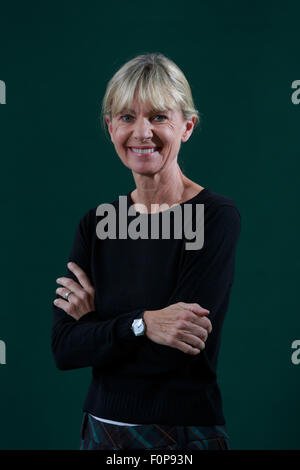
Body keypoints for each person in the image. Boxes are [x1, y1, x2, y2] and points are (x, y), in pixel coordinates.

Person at [51, 52, 241, 451]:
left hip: (184, 434)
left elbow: (177, 354)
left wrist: (98, 326)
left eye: (158, 117)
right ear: (110, 127)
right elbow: (65, 348)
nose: (142, 132)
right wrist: (144, 324)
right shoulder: (96, 224)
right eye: (126, 117)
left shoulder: (214, 216)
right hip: (100, 431)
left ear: (187, 126)